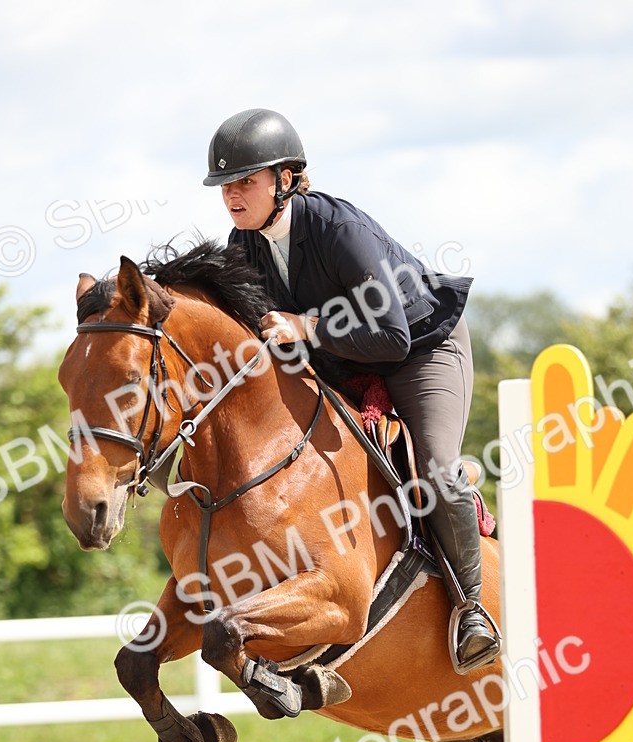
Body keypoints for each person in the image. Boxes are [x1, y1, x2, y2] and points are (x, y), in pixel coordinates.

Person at [203, 108, 500, 673]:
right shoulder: (244, 244)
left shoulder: (338, 229)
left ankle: (472, 609)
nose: (232, 195)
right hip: (344, 357)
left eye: (245, 181)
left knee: (436, 468)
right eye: (225, 185)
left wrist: (307, 327)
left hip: (421, 348)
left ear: (285, 179)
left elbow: (391, 337)